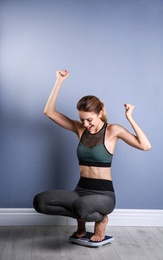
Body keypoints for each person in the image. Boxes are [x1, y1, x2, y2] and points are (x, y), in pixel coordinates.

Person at [33, 70, 151, 242]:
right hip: (80, 191)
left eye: (89, 119)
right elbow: (49, 112)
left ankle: (101, 219)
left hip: (104, 195)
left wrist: (129, 117)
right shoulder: (80, 129)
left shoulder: (112, 130)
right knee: (40, 202)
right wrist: (59, 81)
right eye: (82, 119)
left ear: (100, 113)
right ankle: (82, 222)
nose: (85, 124)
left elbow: (145, 146)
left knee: (81, 207)